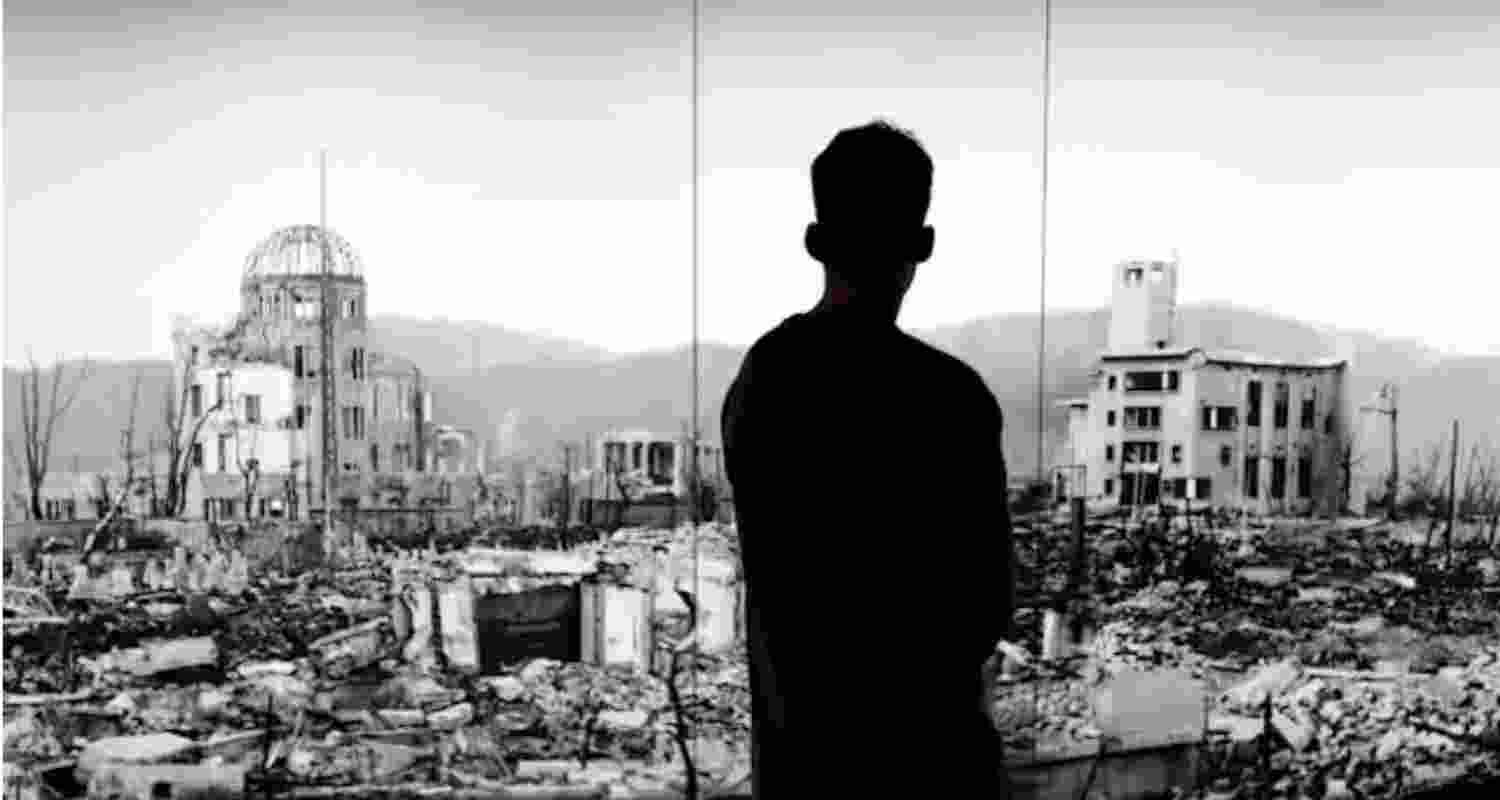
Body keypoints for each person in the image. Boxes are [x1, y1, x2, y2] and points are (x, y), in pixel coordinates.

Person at [721, 119, 1017, 799]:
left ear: (815, 243)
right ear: (924, 244)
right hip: (933, 773)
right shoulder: (954, 401)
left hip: (806, 774)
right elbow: (987, 607)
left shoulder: (765, 382)